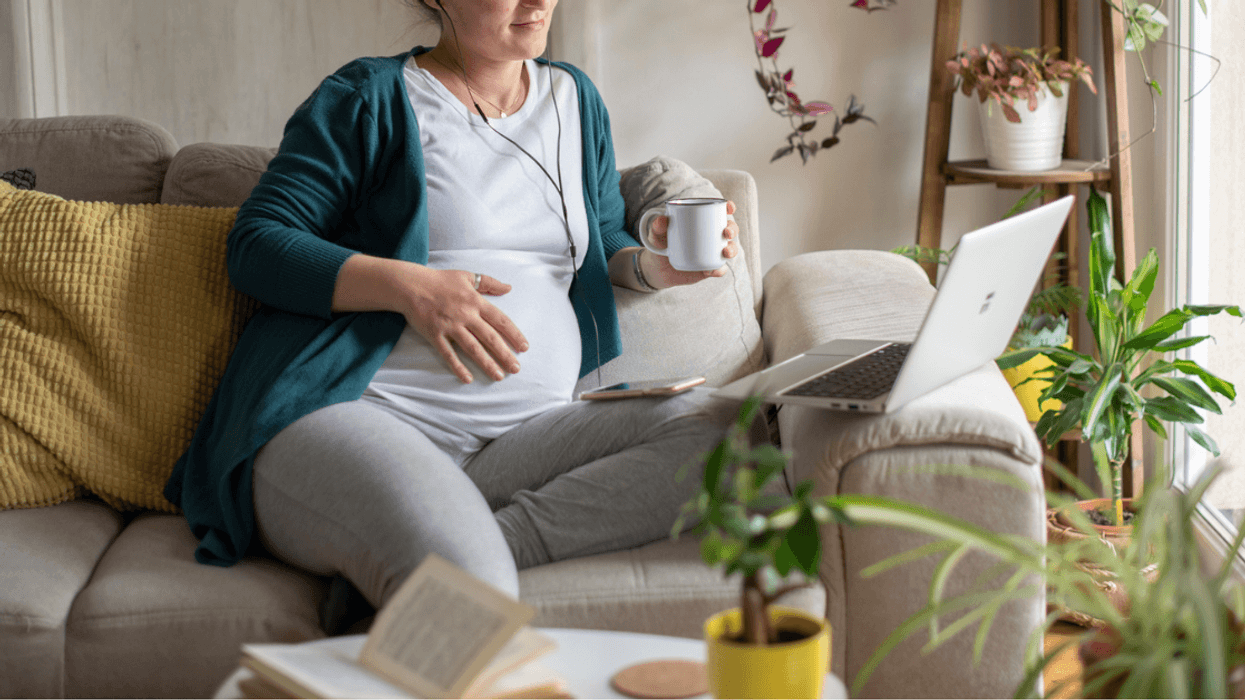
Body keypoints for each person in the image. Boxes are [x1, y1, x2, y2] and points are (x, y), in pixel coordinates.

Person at [163, 0, 742, 609]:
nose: (539, 0)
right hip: (358, 415)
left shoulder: (574, 99)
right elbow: (258, 245)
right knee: (475, 586)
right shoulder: (368, 95)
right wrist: (412, 288)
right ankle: (453, 565)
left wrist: (653, 267)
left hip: (513, 444)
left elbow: (601, 235)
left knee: (727, 433)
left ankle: (429, 564)